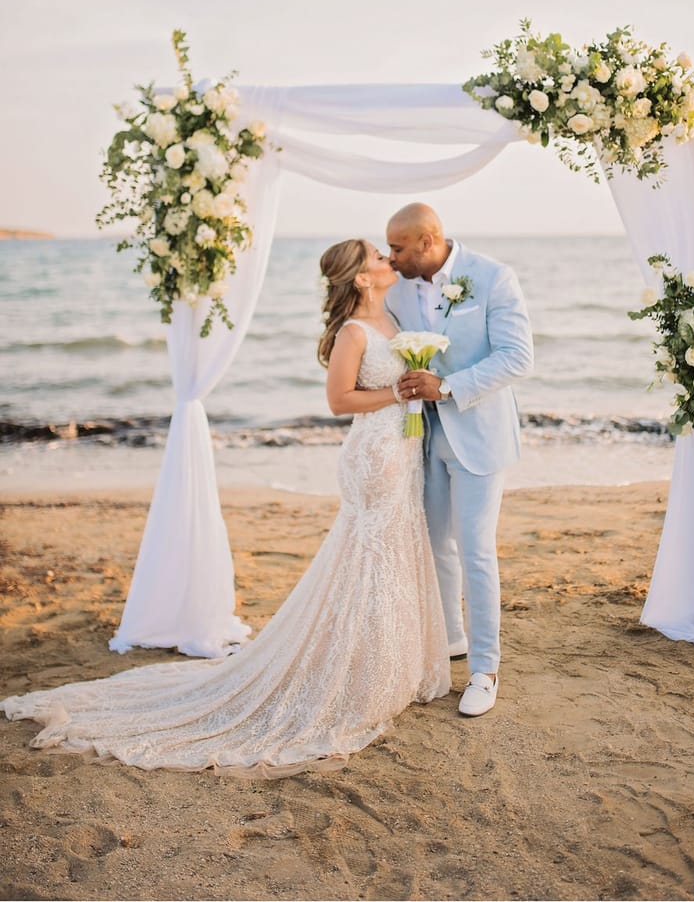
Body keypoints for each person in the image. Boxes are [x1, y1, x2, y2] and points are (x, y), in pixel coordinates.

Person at [1, 239, 450, 777]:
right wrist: (397, 396)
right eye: (380, 258)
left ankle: (386, 666)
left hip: (402, 450)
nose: (389, 262)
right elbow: (338, 402)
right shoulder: (354, 332)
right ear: (361, 279)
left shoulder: (393, 320)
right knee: (371, 560)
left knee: (393, 556)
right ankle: (362, 679)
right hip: (374, 456)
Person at [386, 204, 534, 717]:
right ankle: (450, 637)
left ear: (428, 241)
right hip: (424, 439)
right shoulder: (397, 291)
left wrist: (448, 386)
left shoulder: (492, 277)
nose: (391, 258)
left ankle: (485, 670)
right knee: (435, 545)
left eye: (399, 248)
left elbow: (518, 356)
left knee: (476, 550)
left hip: (480, 436)